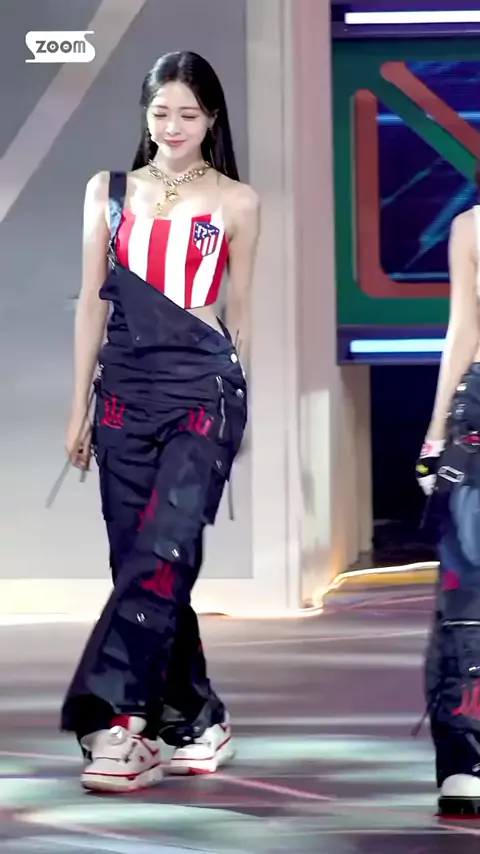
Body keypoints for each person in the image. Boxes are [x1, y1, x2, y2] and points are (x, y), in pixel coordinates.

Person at [60, 50, 260, 793]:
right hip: (123, 395)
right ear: (146, 116)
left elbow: (242, 315)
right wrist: (78, 407)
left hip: (203, 394)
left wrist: (240, 406)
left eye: (188, 113)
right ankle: (198, 716)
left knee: (165, 548)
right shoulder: (107, 192)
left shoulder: (238, 200)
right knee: (141, 561)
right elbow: (91, 305)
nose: (173, 126)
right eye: (161, 112)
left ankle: (123, 722)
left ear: (211, 119)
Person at [416, 174, 480, 817]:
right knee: (465, 587)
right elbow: (461, 329)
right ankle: (466, 757)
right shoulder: (471, 227)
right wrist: (437, 433)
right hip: (478, 411)